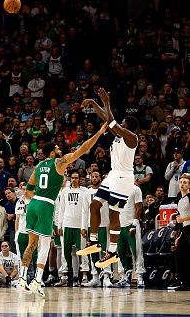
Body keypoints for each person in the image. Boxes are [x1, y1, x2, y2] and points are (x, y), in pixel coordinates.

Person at [17, 120, 108, 298]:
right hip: (45, 205)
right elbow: (82, 149)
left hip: (34, 202)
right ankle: (36, 281)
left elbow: (27, 190)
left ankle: (22, 278)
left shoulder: (39, 166)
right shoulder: (59, 162)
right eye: (58, 148)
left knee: (31, 244)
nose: (61, 149)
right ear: (53, 152)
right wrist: (99, 132)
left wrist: (36, 199)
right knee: (44, 245)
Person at [78, 88, 139, 270]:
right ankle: (94, 242)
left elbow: (112, 123)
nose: (121, 123)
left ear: (128, 126)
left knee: (114, 214)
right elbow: (108, 120)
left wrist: (106, 103)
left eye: (123, 123)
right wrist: (94, 104)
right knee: (94, 205)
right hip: (113, 175)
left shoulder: (132, 138)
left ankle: (111, 252)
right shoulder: (120, 134)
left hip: (123, 178)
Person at [115, 179, 144, 288]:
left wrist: (135, 223)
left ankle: (140, 276)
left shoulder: (135, 189)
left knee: (137, 251)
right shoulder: (117, 192)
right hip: (119, 226)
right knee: (121, 252)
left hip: (131, 225)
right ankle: (123, 277)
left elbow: (139, 207)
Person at [167, 174, 190, 290]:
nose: (182, 184)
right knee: (180, 254)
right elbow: (179, 217)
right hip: (185, 230)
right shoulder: (179, 198)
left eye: (185, 182)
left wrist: (183, 219)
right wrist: (177, 231)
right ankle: (183, 281)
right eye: (181, 182)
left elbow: (183, 217)